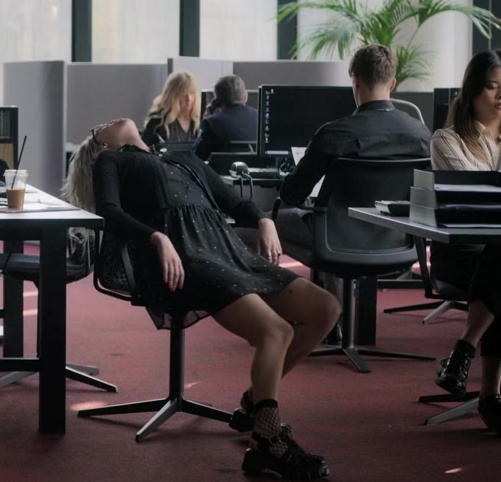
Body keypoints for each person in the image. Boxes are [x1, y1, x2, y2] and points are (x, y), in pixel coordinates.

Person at [69, 118, 339, 480]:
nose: (111, 119)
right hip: (186, 258)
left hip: (227, 251)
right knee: (276, 331)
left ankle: (256, 400)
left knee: (325, 309)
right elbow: (109, 211)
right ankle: (267, 439)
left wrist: (264, 221)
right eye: (99, 126)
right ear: (102, 144)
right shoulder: (111, 160)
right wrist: (156, 237)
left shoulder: (183, 157)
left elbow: (232, 202)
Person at [275, 44, 431, 265]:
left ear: (355, 81)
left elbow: (292, 195)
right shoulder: (421, 135)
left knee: (266, 222)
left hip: (334, 240)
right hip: (397, 239)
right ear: (392, 83)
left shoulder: (333, 134)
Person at [430, 49, 501, 434]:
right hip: (460, 249)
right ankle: (490, 395)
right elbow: (478, 195)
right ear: (472, 91)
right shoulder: (447, 139)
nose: (500, 96)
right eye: (492, 87)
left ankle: (463, 352)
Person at [194, 75, 258, 160]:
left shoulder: (212, 123)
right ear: (246, 96)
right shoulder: (260, 118)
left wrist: (205, 120)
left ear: (218, 101)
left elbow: (196, 157)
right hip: (257, 168)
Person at [142, 71, 201, 149]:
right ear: (172, 95)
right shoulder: (158, 121)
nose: (189, 99)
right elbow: (144, 150)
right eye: (184, 94)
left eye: (192, 93)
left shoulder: (199, 119)